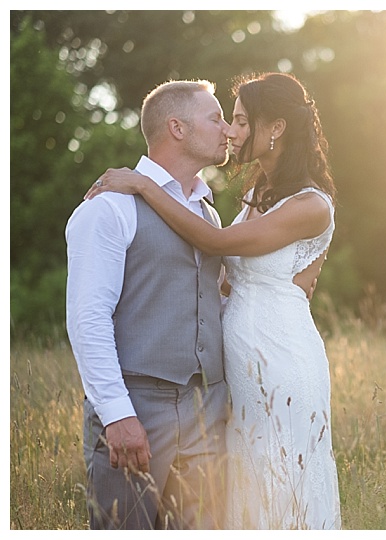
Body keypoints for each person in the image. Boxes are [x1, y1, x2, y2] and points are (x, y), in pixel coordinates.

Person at [86, 72, 342, 530]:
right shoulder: (255, 195)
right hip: (230, 377)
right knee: (243, 487)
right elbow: (217, 282)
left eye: (241, 121)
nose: (231, 131)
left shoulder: (308, 204)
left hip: (279, 361)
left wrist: (145, 185)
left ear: (276, 128)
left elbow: (215, 242)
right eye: (227, 119)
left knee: (279, 482)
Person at [66, 80, 232, 529]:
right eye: (215, 118)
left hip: (206, 408)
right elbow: (88, 318)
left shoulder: (208, 214)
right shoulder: (109, 207)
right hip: (138, 406)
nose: (228, 131)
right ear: (176, 127)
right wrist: (117, 414)